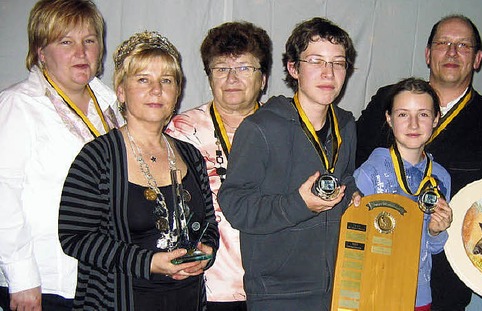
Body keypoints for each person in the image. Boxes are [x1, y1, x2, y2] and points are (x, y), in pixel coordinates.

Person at [356, 14, 482, 311]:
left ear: (478, 58)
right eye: (443, 43)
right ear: (428, 54)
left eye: (463, 45)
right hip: (376, 272)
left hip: (446, 280)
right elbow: (352, 169)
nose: (452, 52)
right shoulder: (388, 99)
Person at [57, 31, 219, 310]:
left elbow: (208, 227)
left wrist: (206, 251)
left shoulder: (190, 155)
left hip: (186, 300)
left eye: (166, 81)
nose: (156, 90)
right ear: (121, 90)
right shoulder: (97, 157)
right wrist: (149, 262)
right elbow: (75, 238)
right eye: (143, 79)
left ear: (177, 91)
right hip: (119, 300)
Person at [217, 17, 359, 310]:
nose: (328, 72)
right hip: (277, 293)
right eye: (316, 60)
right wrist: (299, 204)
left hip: (337, 286)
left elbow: (344, 180)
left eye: (338, 62)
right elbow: (234, 204)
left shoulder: (346, 124)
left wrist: (354, 197)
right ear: (294, 68)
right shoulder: (260, 129)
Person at [0, 0, 123, 310]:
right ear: (41, 51)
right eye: (66, 41)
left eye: (89, 41)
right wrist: (22, 277)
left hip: (104, 277)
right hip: (46, 282)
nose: (81, 53)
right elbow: (3, 198)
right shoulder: (17, 106)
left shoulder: (114, 104)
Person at [166, 21, 272, 311]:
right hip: (208, 283)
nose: (232, 78)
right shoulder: (181, 131)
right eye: (221, 68)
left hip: (275, 283)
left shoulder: (284, 127)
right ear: (210, 77)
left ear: (263, 79)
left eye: (244, 68)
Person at [354, 77, 453, 311]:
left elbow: (434, 247)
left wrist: (436, 231)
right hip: (372, 292)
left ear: (436, 119)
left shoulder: (440, 177)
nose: (413, 124)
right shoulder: (369, 173)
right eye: (402, 114)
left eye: (423, 114)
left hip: (418, 294)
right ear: (388, 119)